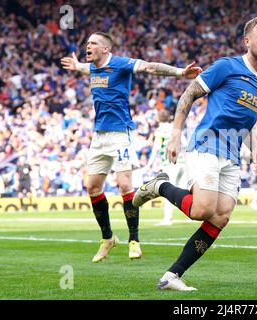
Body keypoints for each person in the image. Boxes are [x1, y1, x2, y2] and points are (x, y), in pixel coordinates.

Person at [133, 17, 257, 290]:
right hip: (206, 145)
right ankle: (159, 185)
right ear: (247, 41)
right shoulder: (227, 66)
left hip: (232, 154)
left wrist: (255, 146)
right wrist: (175, 133)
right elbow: (189, 93)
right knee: (202, 210)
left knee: (221, 216)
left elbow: (247, 120)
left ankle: (172, 276)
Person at [60, 32, 202, 263]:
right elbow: (89, 70)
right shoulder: (93, 68)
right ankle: (108, 238)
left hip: (120, 134)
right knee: (93, 188)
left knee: (125, 184)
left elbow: (149, 68)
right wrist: (77, 66)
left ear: (105, 49)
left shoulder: (120, 64)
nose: (88, 46)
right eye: (87, 43)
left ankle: (134, 239)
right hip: (99, 136)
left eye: (93, 43)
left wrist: (179, 72)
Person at [145, 109, 188, 226]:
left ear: (159, 118)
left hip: (169, 164)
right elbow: (185, 144)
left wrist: (149, 164)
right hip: (182, 163)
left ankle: (167, 219)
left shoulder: (160, 130)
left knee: (168, 192)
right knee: (184, 190)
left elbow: (156, 149)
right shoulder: (175, 128)